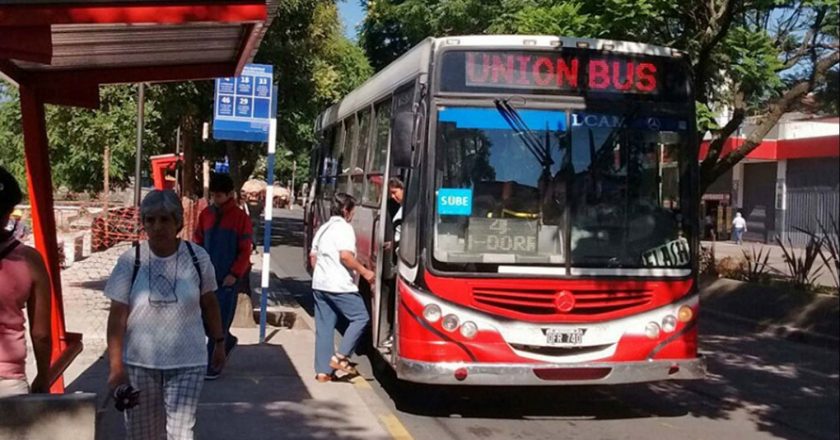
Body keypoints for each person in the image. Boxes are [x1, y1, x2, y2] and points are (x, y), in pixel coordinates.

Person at [105, 189, 226, 439]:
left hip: (188, 361)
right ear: (144, 224)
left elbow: (210, 302)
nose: (157, 226)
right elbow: (117, 315)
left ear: (177, 223)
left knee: (181, 433)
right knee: (142, 434)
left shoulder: (197, 257)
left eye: (164, 219)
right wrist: (116, 366)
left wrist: (219, 342)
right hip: (141, 363)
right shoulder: (131, 260)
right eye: (150, 220)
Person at [193, 173, 253, 379]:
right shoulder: (206, 215)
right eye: (213, 196)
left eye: (220, 196)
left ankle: (214, 363)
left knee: (221, 320)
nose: (216, 200)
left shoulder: (240, 219)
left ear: (229, 195)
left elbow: (245, 250)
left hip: (227, 278)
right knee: (203, 319)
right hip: (205, 277)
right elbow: (197, 242)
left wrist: (235, 274)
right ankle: (226, 343)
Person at [309, 193, 373, 383]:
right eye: (352, 211)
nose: (352, 215)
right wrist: (364, 271)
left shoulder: (323, 228)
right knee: (361, 317)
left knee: (324, 327)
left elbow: (313, 257)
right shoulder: (344, 228)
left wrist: (323, 274)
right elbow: (345, 256)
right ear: (346, 211)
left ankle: (323, 372)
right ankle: (341, 357)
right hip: (339, 285)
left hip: (320, 284)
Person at [0, 167, 51, 398]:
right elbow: (41, 333)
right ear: (10, 211)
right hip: (9, 382)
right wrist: (43, 374)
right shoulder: (30, 260)